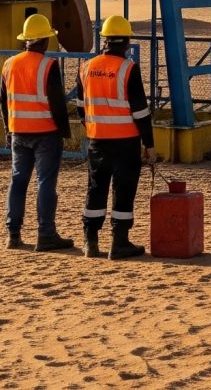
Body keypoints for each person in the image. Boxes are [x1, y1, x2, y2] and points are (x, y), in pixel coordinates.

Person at [81, 15, 155, 260]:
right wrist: (149, 144)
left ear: (104, 40)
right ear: (126, 42)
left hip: (97, 140)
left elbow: (80, 106)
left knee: (96, 188)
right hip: (125, 142)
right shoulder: (128, 69)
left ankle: (90, 241)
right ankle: (119, 242)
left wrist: (92, 126)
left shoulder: (87, 67)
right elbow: (141, 112)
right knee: (123, 190)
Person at [0, 13, 74, 251]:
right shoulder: (48, 65)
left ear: (26, 40)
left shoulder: (9, 64)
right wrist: (64, 132)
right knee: (45, 183)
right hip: (45, 133)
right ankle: (46, 234)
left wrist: (8, 129)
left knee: (18, 182)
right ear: (45, 40)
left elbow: (2, 100)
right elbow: (57, 103)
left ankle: (13, 234)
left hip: (18, 133)